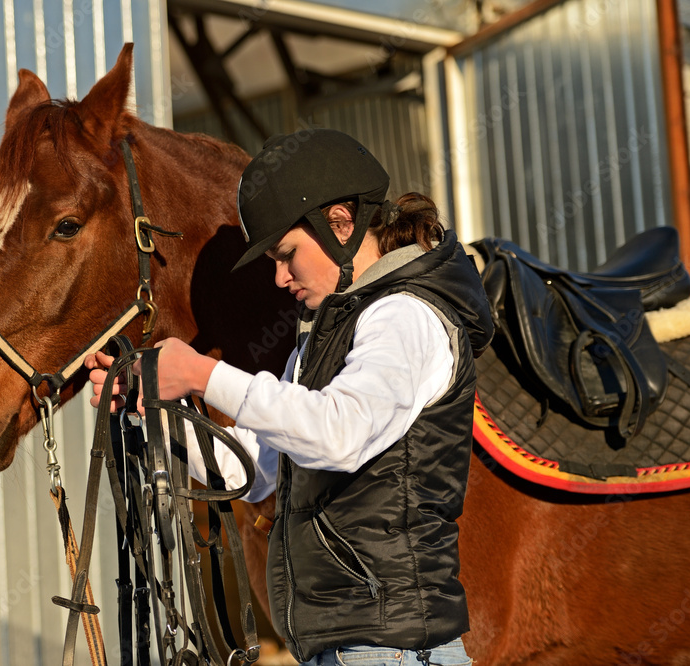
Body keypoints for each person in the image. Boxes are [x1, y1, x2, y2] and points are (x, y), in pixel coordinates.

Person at [85, 129, 493, 665]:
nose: (279, 278)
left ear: (341, 224)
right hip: (337, 649)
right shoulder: (315, 345)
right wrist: (155, 410)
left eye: (287, 255)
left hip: (389, 651)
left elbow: (339, 434)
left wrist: (205, 374)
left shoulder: (405, 317)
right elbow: (251, 474)